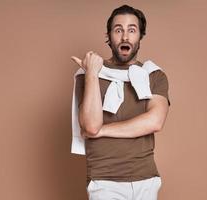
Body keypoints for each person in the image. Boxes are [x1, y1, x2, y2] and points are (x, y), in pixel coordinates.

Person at [71, 4, 170, 200]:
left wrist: (104, 130)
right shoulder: (89, 74)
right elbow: (91, 127)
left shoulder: (154, 76)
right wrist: (92, 72)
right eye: (118, 30)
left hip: (146, 178)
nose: (125, 37)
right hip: (104, 181)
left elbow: (155, 121)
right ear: (109, 36)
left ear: (140, 36)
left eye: (132, 30)